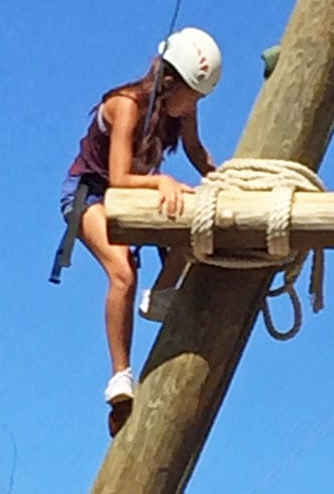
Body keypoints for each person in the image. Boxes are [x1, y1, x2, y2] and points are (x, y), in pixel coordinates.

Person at [59, 27, 222, 411]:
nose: (194, 104)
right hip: (92, 193)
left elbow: (197, 152)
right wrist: (162, 181)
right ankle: (120, 373)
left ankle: (162, 294)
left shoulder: (182, 109)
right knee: (123, 271)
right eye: (193, 95)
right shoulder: (126, 105)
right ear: (171, 82)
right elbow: (117, 179)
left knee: (190, 221)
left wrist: (222, 180)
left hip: (134, 189)